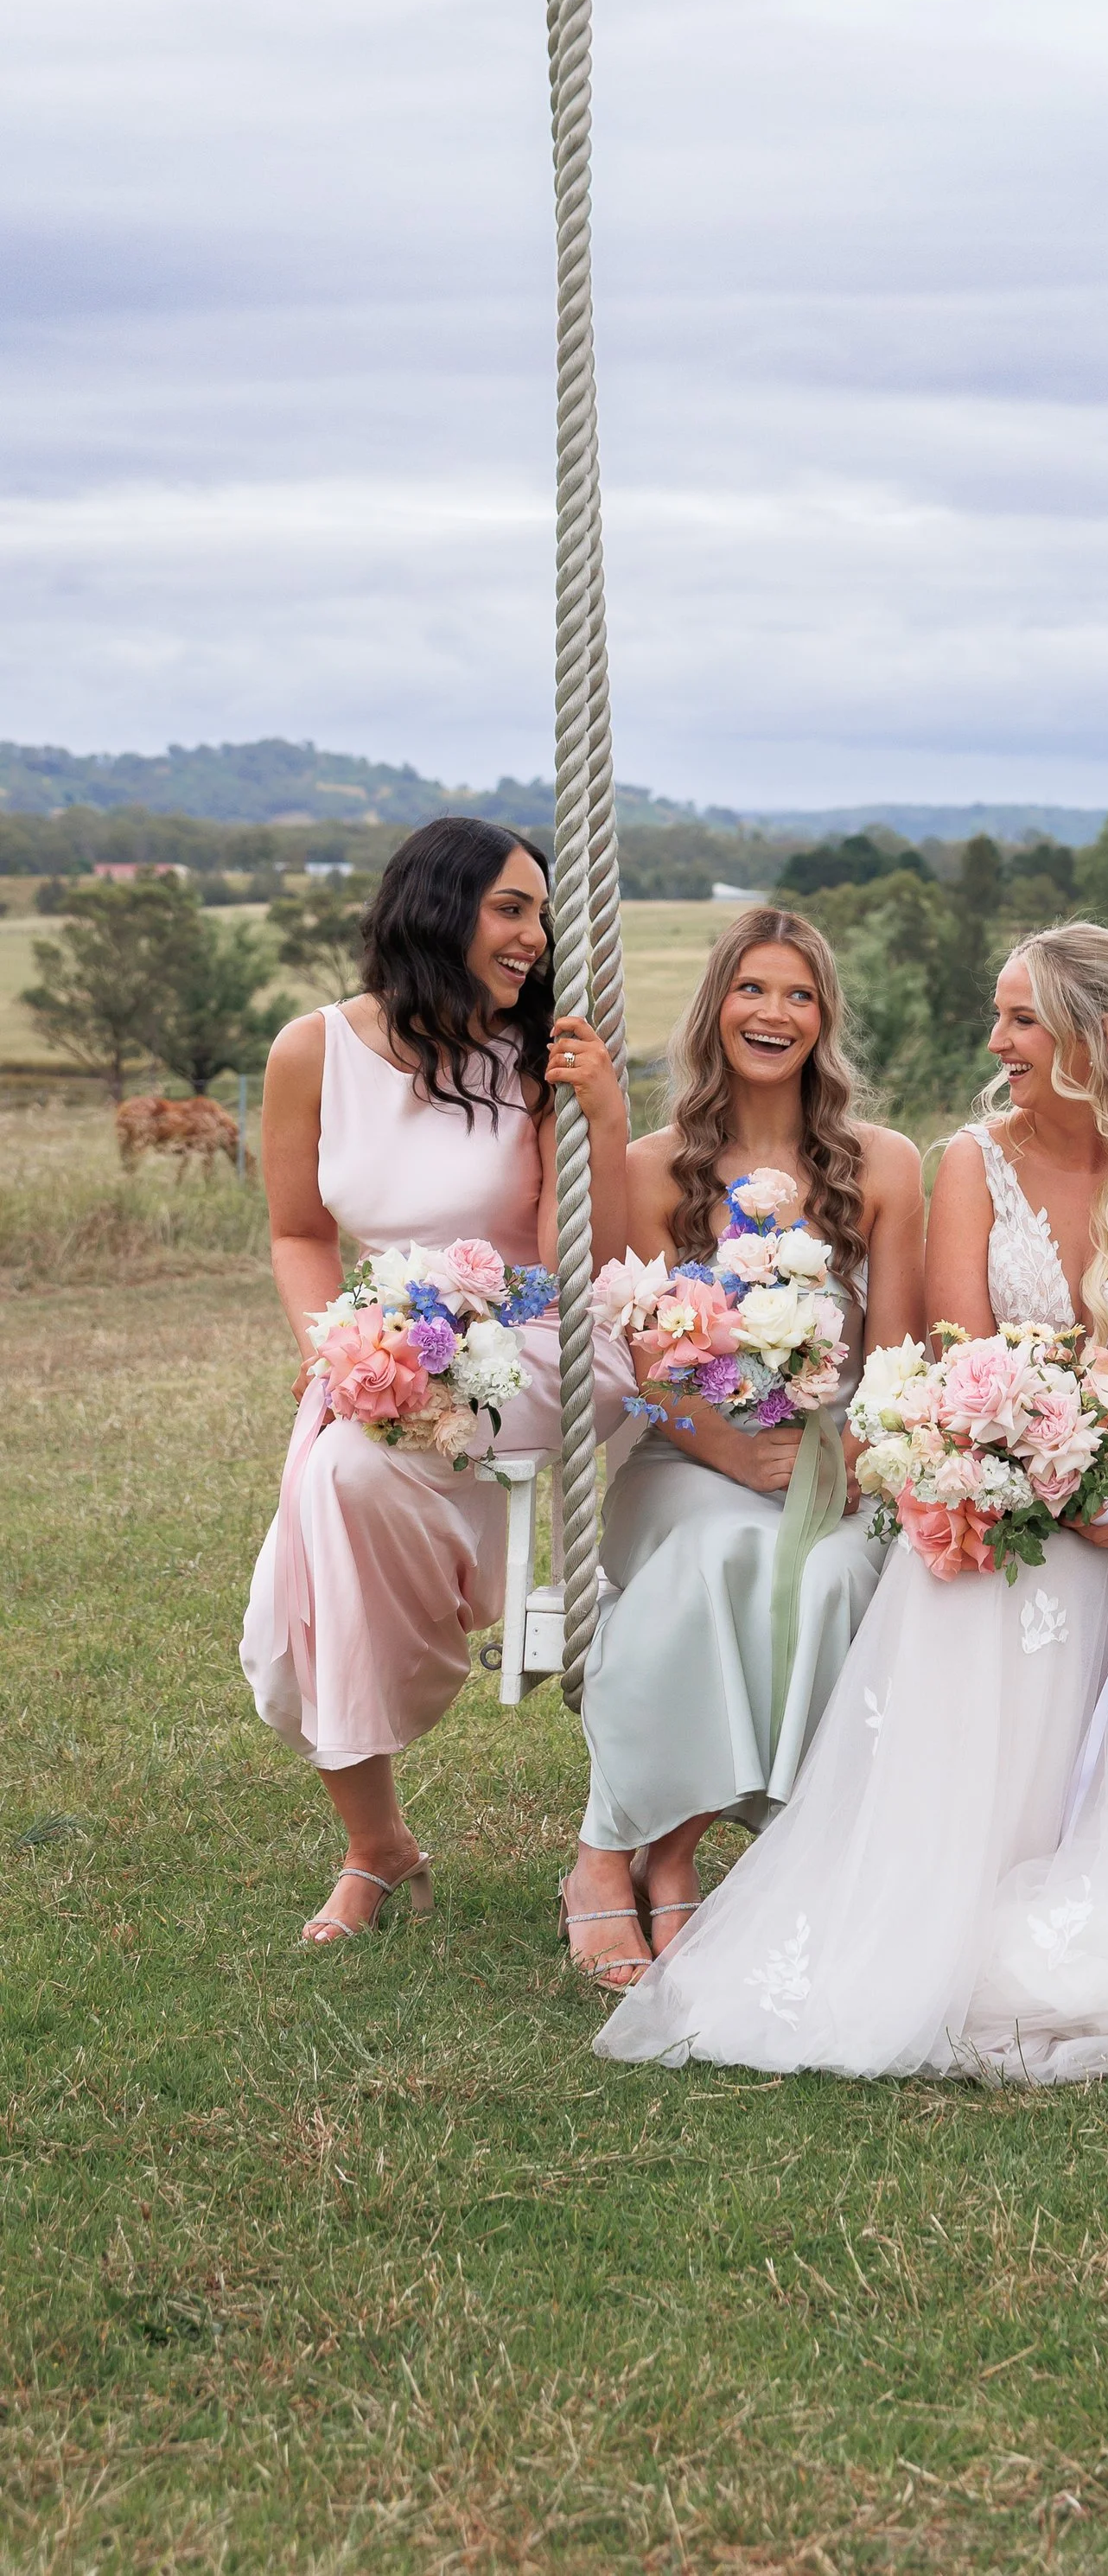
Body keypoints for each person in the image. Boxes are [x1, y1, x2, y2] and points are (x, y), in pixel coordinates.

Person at [595, 921, 1108, 2082]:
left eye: (1020, 1017)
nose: (996, 1039)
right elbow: (958, 1363)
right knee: (981, 1592)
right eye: (1001, 1013)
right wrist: (1064, 1495)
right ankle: (941, 1894)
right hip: (1013, 1486)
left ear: (1096, 1032)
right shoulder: (972, 1161)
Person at [242, 819, 630, 1945]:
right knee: (334, 1486)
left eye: (539, 913)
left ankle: (456, 1592)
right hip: (389, 1350)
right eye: (510, 907)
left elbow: (584, 1254)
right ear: (437, 905)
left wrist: (601, 1111)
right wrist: (336, 1351)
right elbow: (296, 1229)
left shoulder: (543, 1050)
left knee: (353, 1476)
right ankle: (379, 1848)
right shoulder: (310, 1050)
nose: (533, 934)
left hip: (543, 1342)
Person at [558, 909, 924, 1992]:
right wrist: (720, 1447)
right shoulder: (651, 1167)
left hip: (834, 1459)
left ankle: (680, 1855)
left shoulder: (887, 1167)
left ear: (825, 1020)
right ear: (716, 1008)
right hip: (682, 1463)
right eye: (753, 990)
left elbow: (895, 1358)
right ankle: (604, 1852)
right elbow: (638, 1358)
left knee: (826, 1572)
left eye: (799, 995)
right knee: (724, 1553)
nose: (775, 1014)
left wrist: (845, 1454)